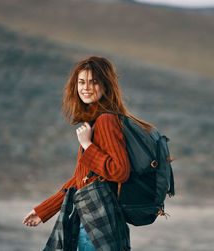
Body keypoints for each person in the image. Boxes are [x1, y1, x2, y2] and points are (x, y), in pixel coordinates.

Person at [22, 56, 153, 250]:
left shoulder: (106, 121)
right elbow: (81, 180)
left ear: (106, 85)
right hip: (91, 219)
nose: (86, 88)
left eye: (94, 82)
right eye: (82, 82)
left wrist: (87, 145)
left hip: (97, 224)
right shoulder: (96, 121)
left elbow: (120, 171)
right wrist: (44, 211)